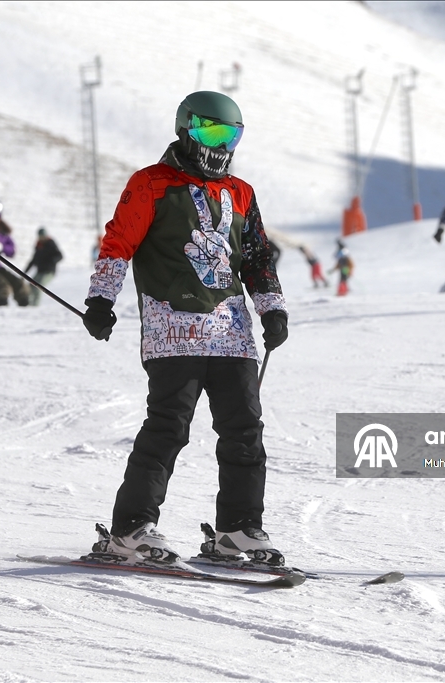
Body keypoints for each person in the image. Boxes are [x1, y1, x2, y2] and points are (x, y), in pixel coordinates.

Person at [82, 91, 289, 566]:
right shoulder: (151, 183)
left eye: (230, 134)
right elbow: (119, 244)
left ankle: (238, 530)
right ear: (186, 129)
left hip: (231, 332)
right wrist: (101, 299)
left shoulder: (241, 192)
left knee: (245, 432)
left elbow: (256, 257)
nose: (221, 144)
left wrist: (271, 308)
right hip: (172, 326)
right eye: (211, 132)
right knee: (169, 428)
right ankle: (130, 530)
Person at [25, 227, 64, 306]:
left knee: (39, 286)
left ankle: (35, 306)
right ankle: (29, 304)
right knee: (30, 286)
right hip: (40, 271)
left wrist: (52, 261)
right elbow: (34, 260)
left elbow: (60, 255)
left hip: (49, 272)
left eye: (43, 236)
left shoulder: (51, 244)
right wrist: (25, 271)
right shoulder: (38, 246)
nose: (42, 238)